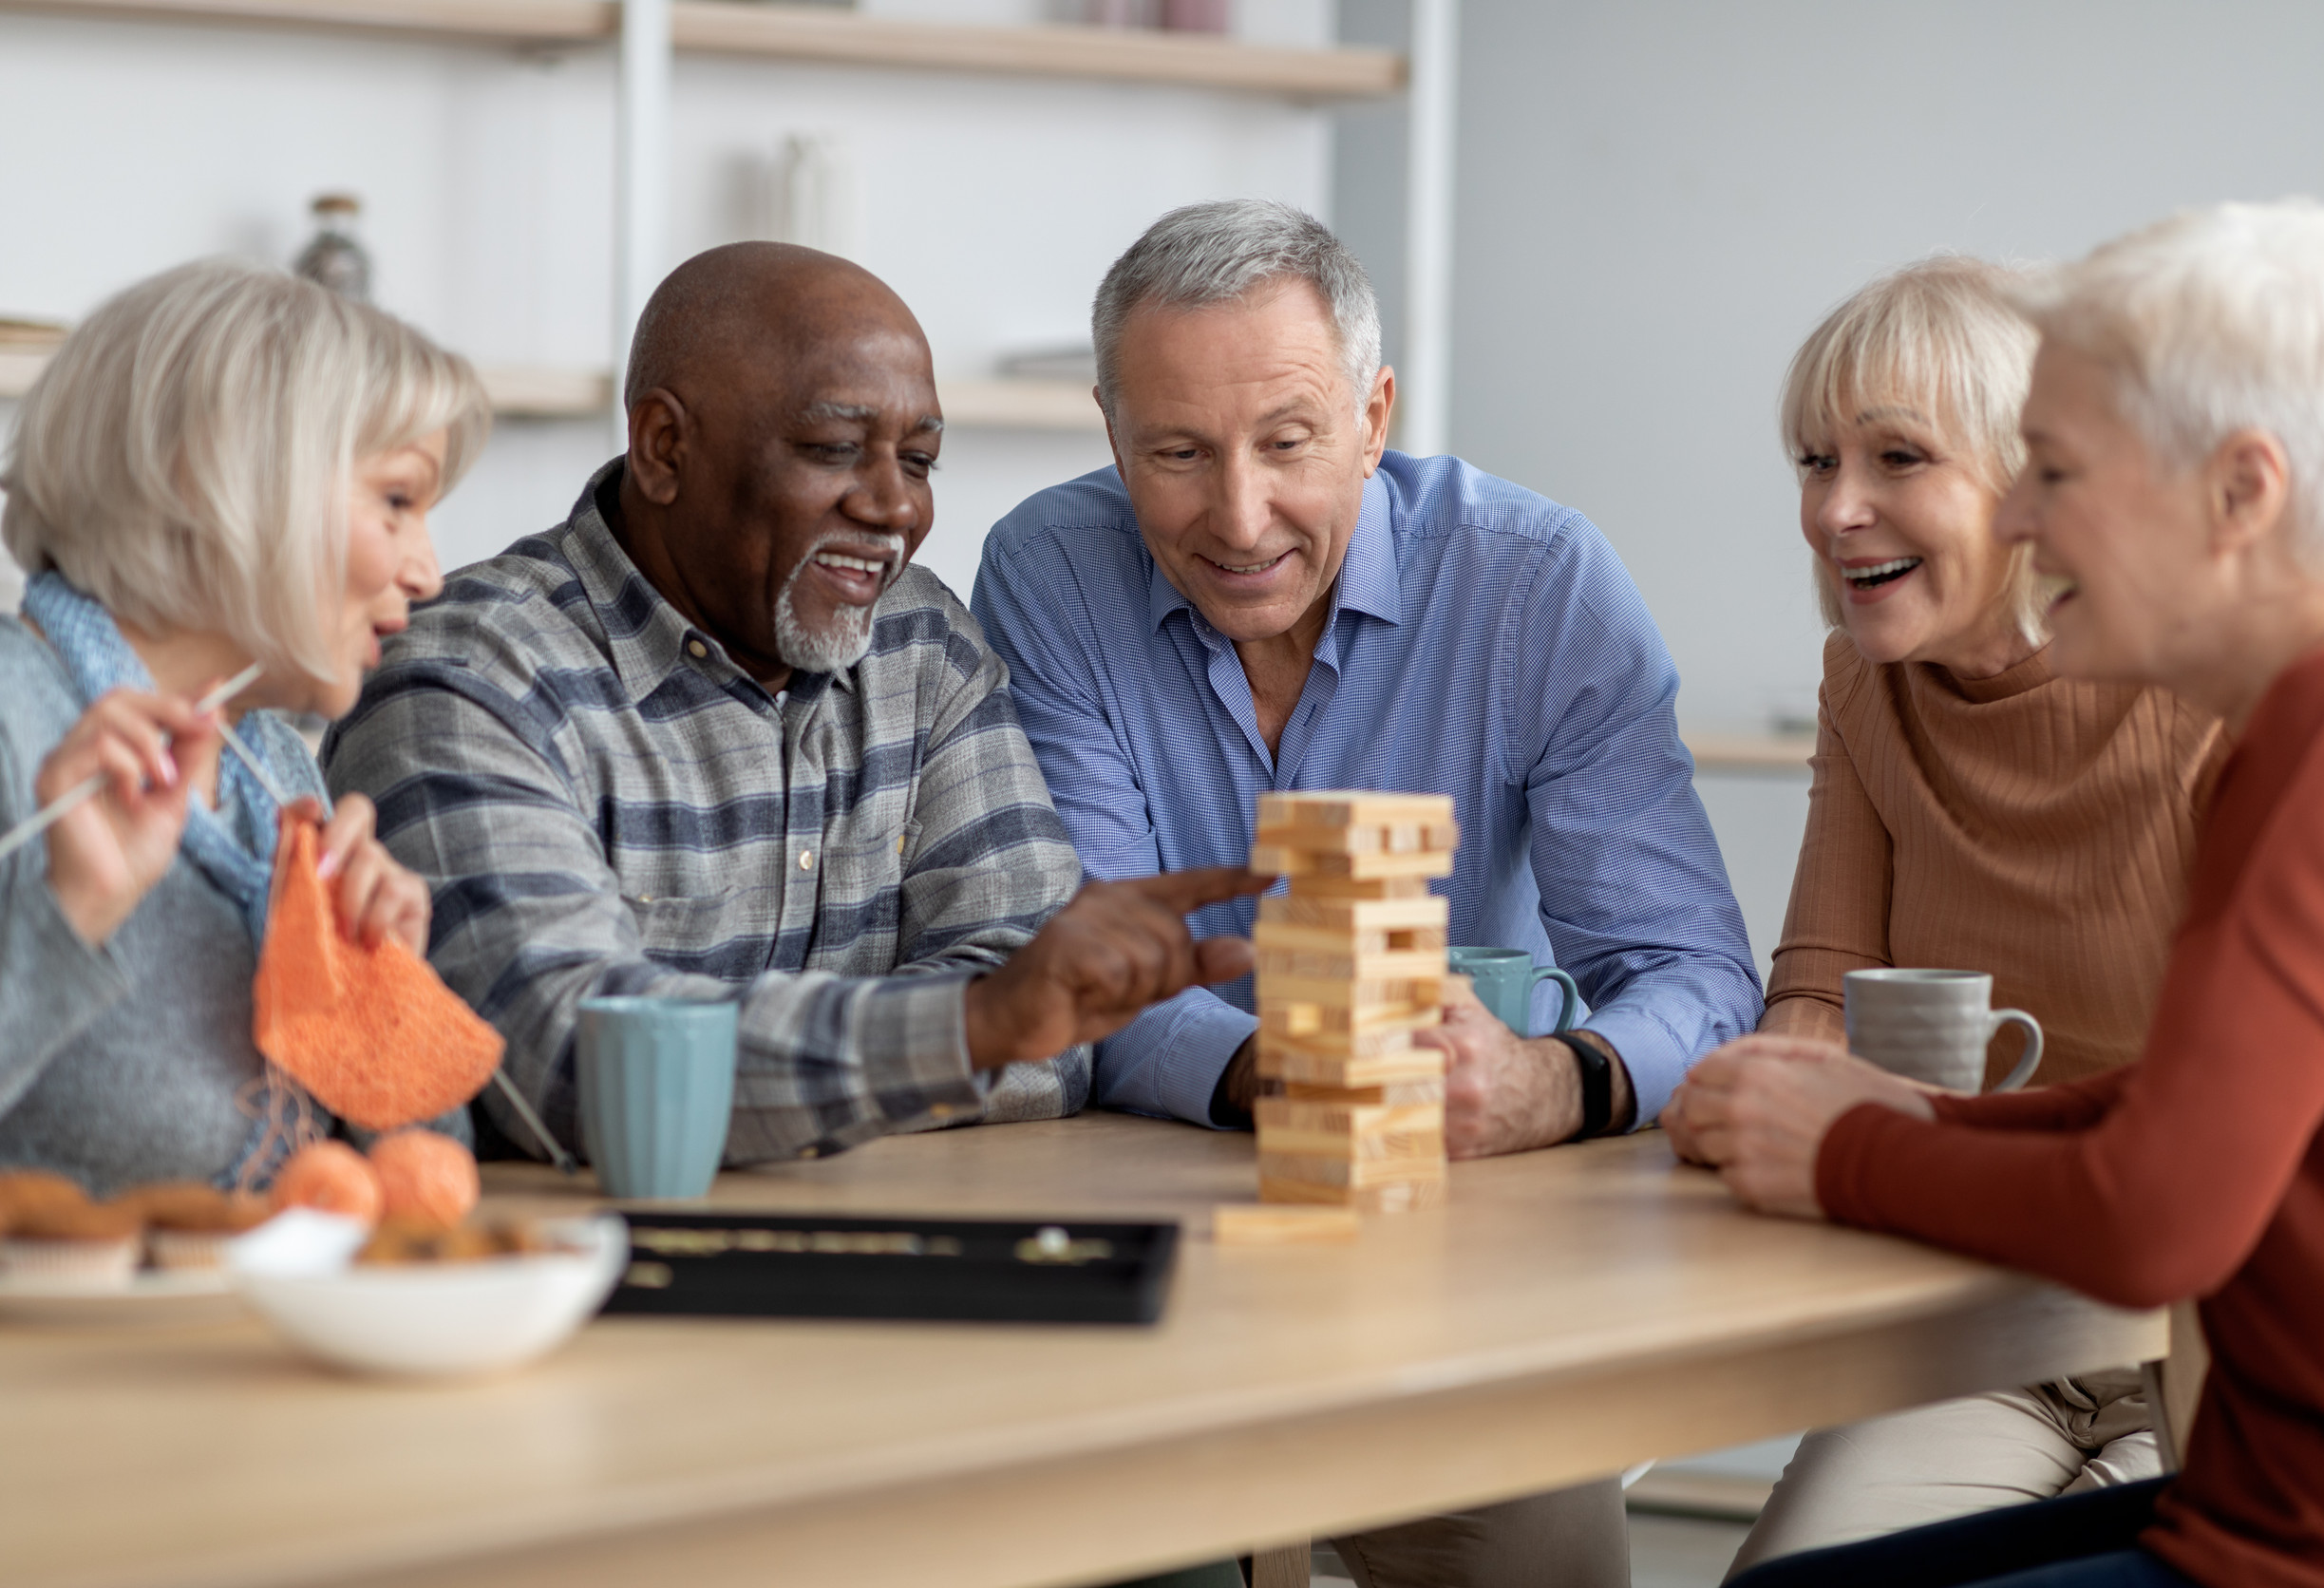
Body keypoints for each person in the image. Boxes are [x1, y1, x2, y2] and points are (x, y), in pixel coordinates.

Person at [973, 198, 1760, 1588]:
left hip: (1459, 1243)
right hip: (1158, 1225)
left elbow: (1694, 976)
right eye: (1176, 453)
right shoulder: (1049, 571)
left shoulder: (1538, 585)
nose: (1238, 515)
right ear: (1110, 434)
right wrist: (1304, 1075)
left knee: (1537, 1555)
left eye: (1288, 443)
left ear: (1374, 416)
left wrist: (1548, 1084)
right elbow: (1081, 966)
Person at [1686, 198, 2324, 1588]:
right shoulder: (2313, 720)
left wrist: (1847, 1151)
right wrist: (1901, 1115)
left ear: (2242, 495)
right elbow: (2172, 1107)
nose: (2018, 515)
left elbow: (2154, 1216)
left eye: (2054, 470)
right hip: (2254, 1487)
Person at [324, 243, 1266, 1169]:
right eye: (831, 450)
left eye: (922, 461)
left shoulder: (919, 643)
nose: (896, 507)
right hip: (571, 1280)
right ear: (664, 447)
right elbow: (567, 1066)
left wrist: (977, 1029)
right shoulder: (465, 677)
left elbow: (1055, 1040)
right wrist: (966, 1028)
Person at [0, 258, 483, 1196]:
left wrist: (378, 993)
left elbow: (422, 1189)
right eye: (396, 501)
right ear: (221, 476)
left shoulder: (271, 766)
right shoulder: (16, 719)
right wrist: (70, 914)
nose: (427, 571)